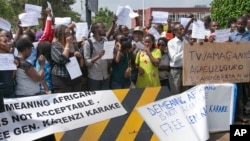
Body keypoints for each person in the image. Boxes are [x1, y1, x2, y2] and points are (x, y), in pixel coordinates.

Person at [229, 16, 250, 123]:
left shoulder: (249, 35)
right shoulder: (231, 36)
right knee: (238, 92)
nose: (239, 25)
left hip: (247, 68)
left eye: (242, 24)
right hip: (235, 69)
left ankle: (246, 113)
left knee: (247, 92)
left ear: (246, 24)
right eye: (238, 23)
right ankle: (239, 114)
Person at [51, 25, 83, 93]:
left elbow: (81, 62)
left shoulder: (74, 45)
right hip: (61, 79)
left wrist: (79, 56)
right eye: (66, 33)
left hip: (75, 77)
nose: (69, 35)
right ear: (60, 35)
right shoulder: (55, 46)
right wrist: (68, 44)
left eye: (69, 33)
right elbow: (62, 60)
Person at [83, 22, 110, 91]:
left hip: (105, 77)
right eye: (102, 27)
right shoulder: (88, 43)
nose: (105, 29)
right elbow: (87, 62)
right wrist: (98, 56)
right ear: (96, 29)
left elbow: (109, 59)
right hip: (94, 78)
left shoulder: (105, 41)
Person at [168, 23, 186, 95]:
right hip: (176, 71)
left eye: (183, 28)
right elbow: (174, 58)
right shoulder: (171, 43)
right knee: (176, 93)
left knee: (186, 93)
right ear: (175, 32)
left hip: (186, 71)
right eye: (180, 29)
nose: (183, 30)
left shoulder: (186, 41)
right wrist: (187, 50)